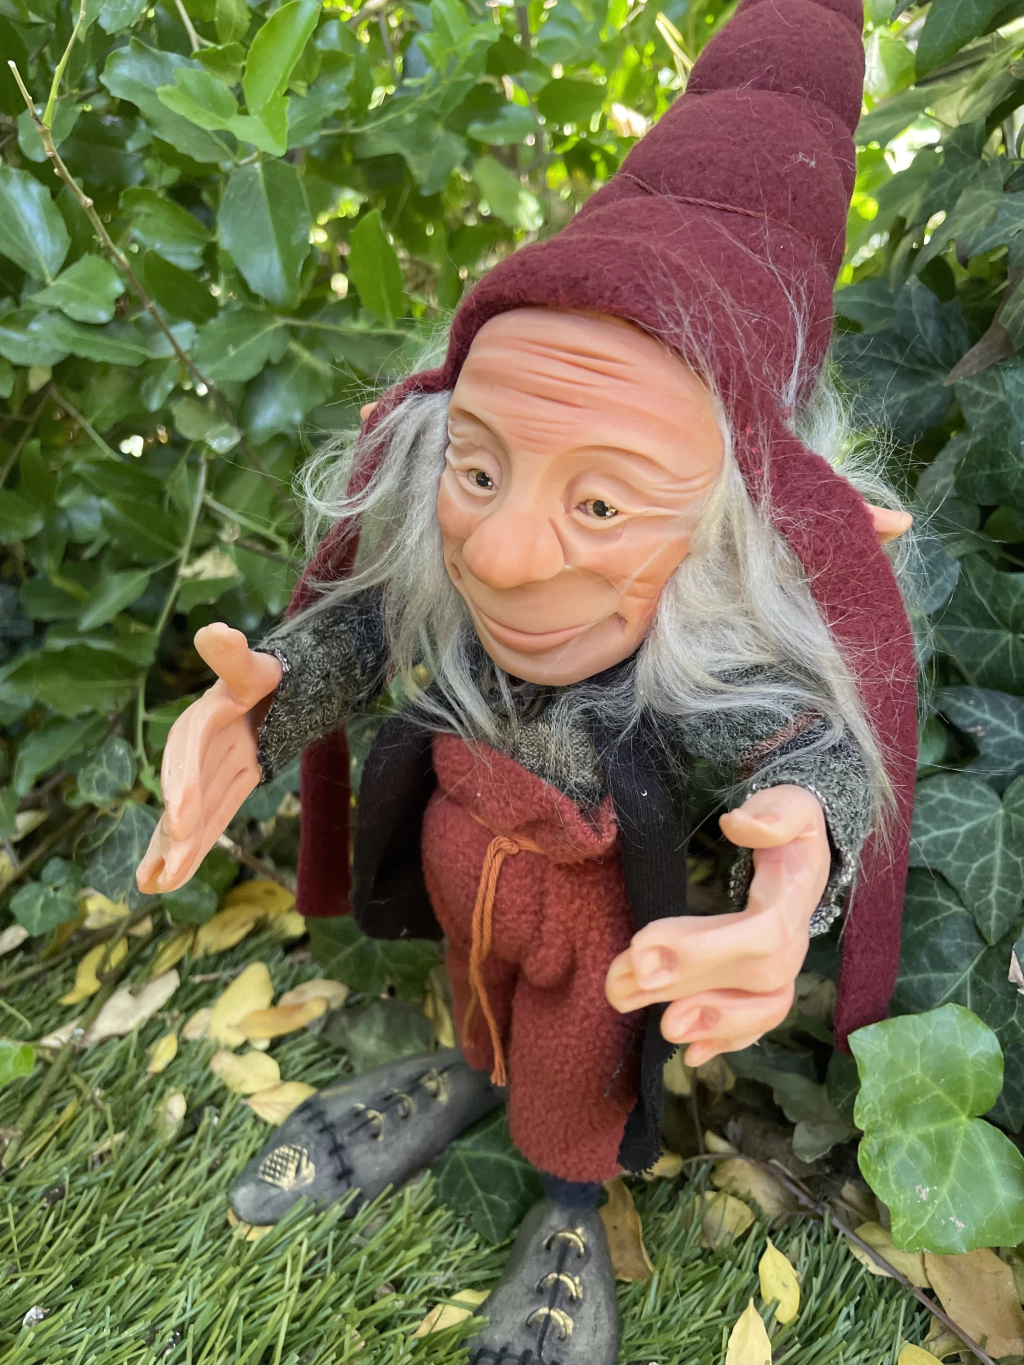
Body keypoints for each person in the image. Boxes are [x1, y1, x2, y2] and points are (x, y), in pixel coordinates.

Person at [137, 1, 917, 1359]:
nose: (499, 555)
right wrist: (263, 710)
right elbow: (355, 636)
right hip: (459, 876)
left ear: (736, 530)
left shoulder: (701, 652)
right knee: (476, 989)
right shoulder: (454, 588)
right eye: (481, 470)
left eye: (601, 503)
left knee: (571, 1066)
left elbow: (806, 750)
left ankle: (568, 1209)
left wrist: (800, 853)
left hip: (593, 929)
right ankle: (459, 1070)